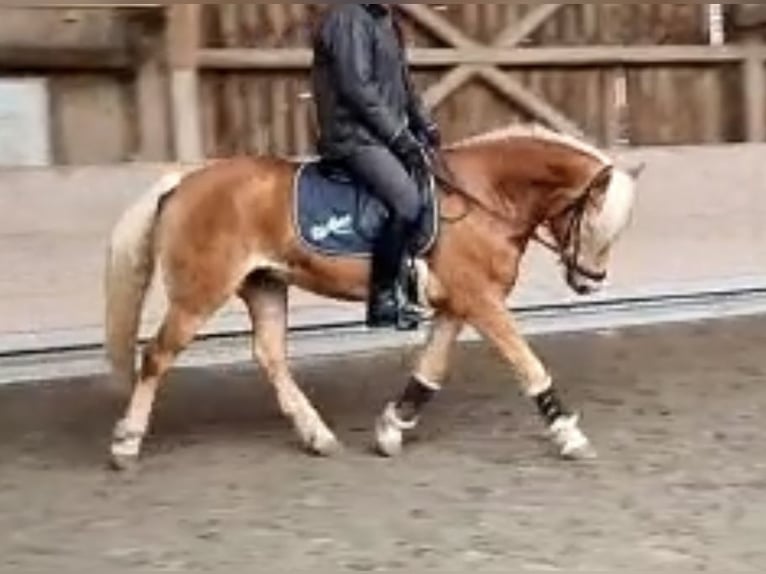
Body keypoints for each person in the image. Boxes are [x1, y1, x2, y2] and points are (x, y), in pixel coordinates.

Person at [311, 4, 441, 330]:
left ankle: (410, 282)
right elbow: (357, 88)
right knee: (406, 201)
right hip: (352, 137)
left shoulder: (383, 18)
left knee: (433, 186)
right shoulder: (347, 17)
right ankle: (382, 299)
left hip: (379, 134)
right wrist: (398, 137)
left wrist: (423, 124)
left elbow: (404, 83)